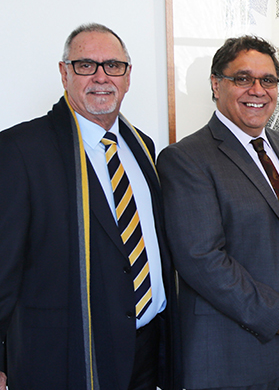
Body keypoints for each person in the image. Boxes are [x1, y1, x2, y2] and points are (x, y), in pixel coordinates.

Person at [0, 23, 181, 389]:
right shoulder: (20, 150)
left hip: (145, 349)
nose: (101, 77)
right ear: (64, 73)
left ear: (128, 77)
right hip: (65, 355)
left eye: (113, 66)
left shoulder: (142, 146)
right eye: (86, 65)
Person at [157, 35, 279, 390]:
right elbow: (201, 259)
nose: (257, 90)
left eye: (268, 80)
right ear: (216, 84)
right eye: (243, 78)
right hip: (231, 356)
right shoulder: (186, 159)